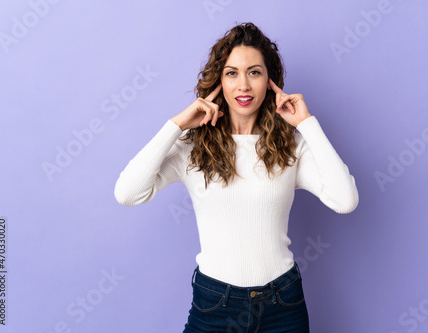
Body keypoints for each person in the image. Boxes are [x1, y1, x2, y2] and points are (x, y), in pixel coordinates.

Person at [114, 22, 359, 332]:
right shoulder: (193, 147)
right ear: (219, 82)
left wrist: (307, 124)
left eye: (254, 72)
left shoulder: (290, 146)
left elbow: (345, 200)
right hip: (215, 305)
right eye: (232, 73)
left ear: (270, 81)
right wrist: (176, 125)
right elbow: (127, 192)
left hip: (282, 306)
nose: (243, 85)